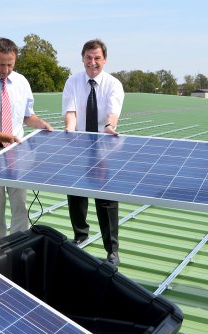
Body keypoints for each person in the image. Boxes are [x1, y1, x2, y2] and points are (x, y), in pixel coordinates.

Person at [0, 37, 53, 242]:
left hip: (17, 152)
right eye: (1, 64)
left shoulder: (21, 82)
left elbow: (27, 116)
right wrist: (7, 137)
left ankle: (19, 248)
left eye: (10, 64)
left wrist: (41, 124)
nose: (5, 69)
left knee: (21, 208)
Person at [62, 39, 125, 266]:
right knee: (75, 194)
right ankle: (81, 236)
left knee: (106, 200)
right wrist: (70, 131)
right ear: (82, 58)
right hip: (78, 145)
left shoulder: (113, 84)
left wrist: (110, 127)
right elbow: (71, 112)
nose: (92, 62)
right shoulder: (73, 82)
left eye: (97, 58)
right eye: (88, 57)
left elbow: (112, 113)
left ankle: (112, 249)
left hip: (104, 147)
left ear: (104, 60)